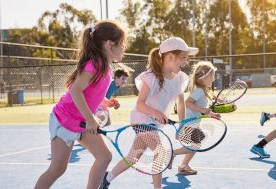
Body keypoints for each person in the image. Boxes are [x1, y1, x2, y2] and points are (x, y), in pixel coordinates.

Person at [34, 20, 127, 189]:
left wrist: (106, 102)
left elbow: (91, 94)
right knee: (57, 169)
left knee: (104, 157)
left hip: (81, 122)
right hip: (64, 121)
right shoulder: (95, 65)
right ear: (109, 44)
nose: (124, 47)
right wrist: (90, 118)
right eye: (121, 44)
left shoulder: (106, 67)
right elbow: (76, 91)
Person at [99, 37, 198, 189]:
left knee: (133, 157)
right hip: (142, 120)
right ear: (170, 57)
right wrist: (156, 112)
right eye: (183, 58)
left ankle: (106, 179)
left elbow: (180, 103)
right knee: (162, 153)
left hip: (154, 124)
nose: (186, 62)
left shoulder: (179, 79)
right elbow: (140, 104)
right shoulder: (151, 77)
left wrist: (182, 125)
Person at [178, 61, 220, 175]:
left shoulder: (203, 91)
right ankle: (171, 154)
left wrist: (211, 114)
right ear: (203, 77)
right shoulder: (199, 91)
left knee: (195, 145)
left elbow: (200, 109)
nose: (213, 79)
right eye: (212, 76)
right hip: (189, 124)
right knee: (194, 146)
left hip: (194, 124)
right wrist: (203, 110)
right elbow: (188, 103)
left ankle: (183, 165)